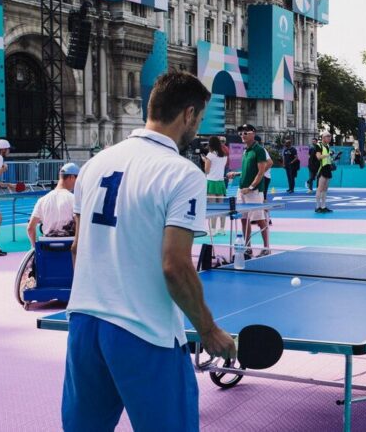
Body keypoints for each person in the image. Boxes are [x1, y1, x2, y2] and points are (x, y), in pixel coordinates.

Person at [63, 72, 236, 431]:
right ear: (188, 114)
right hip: (144, 331)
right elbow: (175, 266)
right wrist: (208, 329)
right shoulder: (182, 174)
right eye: (199, 119)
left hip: (84, 325)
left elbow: (78, 248)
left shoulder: (94, 165)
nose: (197, 126)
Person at [227, 124, 272, 254]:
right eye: (241, 133)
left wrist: (251, 187)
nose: (242, 135)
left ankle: (266, 248)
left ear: (253, 133)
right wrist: (237, 174)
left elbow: (261, 171)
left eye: (245, 133)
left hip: (254, 191)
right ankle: (247, 248)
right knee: (244, 219)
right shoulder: (246, 150)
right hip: (241, 190)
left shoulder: (259, 150)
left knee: (260, 220)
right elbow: (249, 171)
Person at [26, 162, 79, 246]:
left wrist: (35, 248)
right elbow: (80, 224)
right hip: (68, 247)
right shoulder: (74, 199)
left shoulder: (42, 200)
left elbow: (30, 228)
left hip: (47, 247)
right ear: (71, 177)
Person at [203, 136, 228, 236]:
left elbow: (207, 170)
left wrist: (205, 161)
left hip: (212, 182)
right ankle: (221, 229)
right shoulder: (224, 155)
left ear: (211, 145)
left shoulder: (210, 155)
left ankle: (212, 230)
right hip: (220, 182)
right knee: (221, 206)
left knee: (213, 207)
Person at [314, 132, 334, 213]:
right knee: (320, 188)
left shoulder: (328, 146)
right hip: (322, 168)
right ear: (323, 137)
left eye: (330, 136)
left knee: (325, 189)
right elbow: (318, 157)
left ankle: (323, 206)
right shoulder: (319, 145)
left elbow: (327, 157)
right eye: (328, 136)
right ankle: (317, 207)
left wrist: (331, 158)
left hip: (328, 168)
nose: (330, 138)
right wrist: (328, 155)